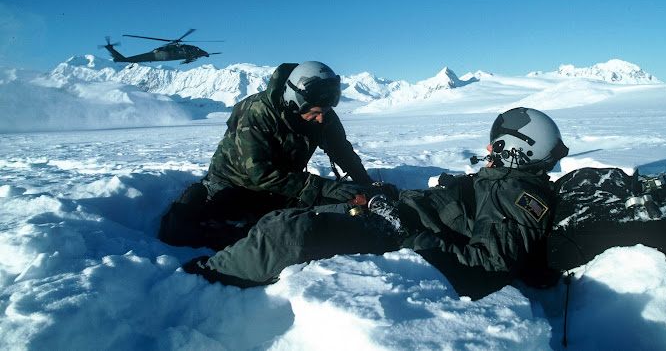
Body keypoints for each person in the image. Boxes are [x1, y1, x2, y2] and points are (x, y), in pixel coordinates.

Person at [182, 107, 570, 298]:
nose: (488, 148)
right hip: (396, 212)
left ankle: (206, 277)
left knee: (290, 231)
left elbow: (489, 268)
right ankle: (223, 243)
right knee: (293, 211)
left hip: (397, 230)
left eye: (496, 142)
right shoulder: (505, 180)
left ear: (514, 149)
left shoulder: (518, 196)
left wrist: (410, 233)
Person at [158, 61, 374, 250]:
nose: (320, 119)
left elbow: (342, 150)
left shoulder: (322, 112)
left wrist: (365, 183)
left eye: (324, 113)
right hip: (236, 183)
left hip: (283, 181)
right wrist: (322, 187)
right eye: (316, 113)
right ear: (295, 101)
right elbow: (261, 173)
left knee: (308, 214)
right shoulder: (257, 112)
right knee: (230, 230)